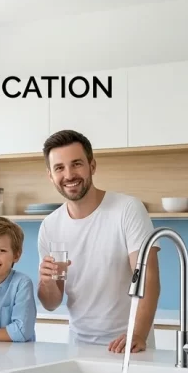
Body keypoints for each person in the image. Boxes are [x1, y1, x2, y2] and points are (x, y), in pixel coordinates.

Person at [36, 129, 161, 353]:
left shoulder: (127, 209)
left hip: (129, 344)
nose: (69, 175)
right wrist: (46, 282)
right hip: (78, 346)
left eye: (76, 164)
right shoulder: (50, 226)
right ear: (50, 175)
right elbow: (52, 302)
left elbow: (147, 277)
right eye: (59, 168)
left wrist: (139, 333)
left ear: (92, 166)